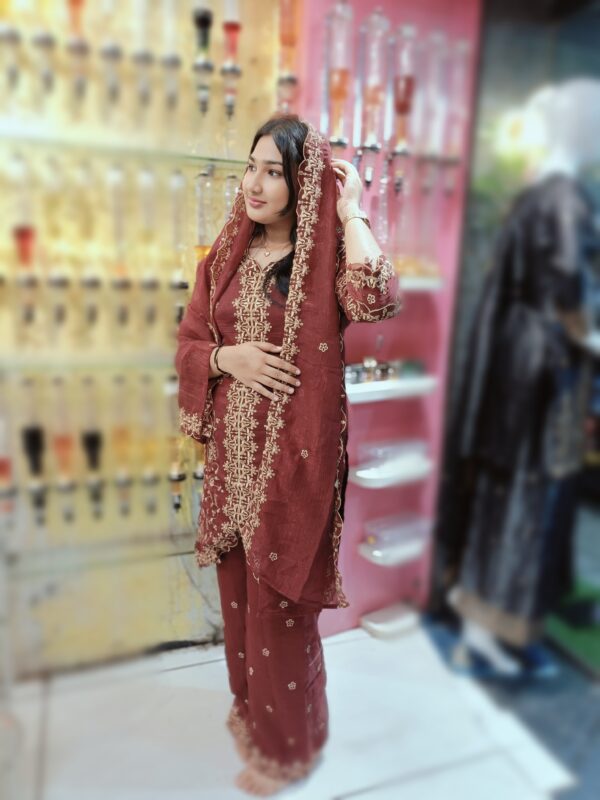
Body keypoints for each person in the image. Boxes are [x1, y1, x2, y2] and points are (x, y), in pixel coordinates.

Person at [175, 114, 402, 796]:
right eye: (252, 167)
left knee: (280, 611)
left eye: (274, 171)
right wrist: (229, 359)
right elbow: (190, 344)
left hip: (294, 468)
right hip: (232, 465)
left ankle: (290, 748)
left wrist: (351, 209)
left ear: (301, 183)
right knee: (238, 601)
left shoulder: (323, 261)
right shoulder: (224, 258)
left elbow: (378, 297)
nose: (255, 183)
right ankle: (253, 715)